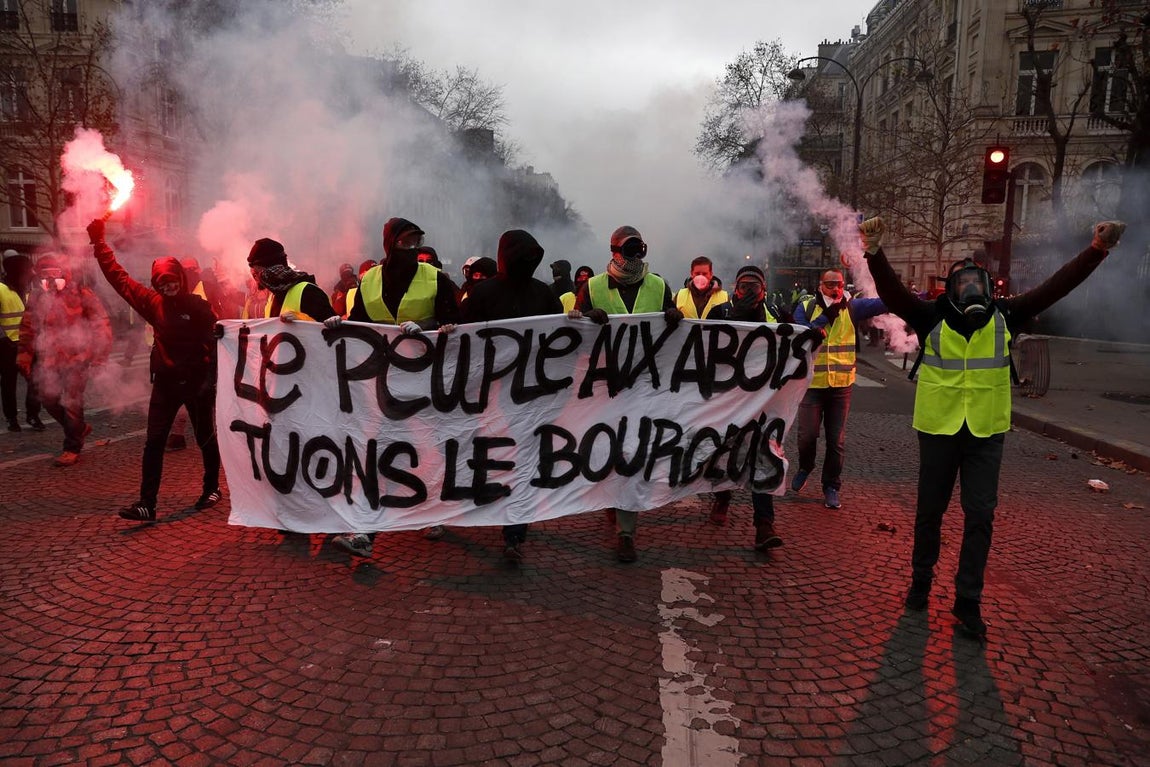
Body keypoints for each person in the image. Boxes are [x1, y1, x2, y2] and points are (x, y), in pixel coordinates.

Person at [863, 216, 1126, 638]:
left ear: (989, 286)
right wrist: (874, 251)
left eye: (977, 280)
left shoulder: (1007, 314)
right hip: (938, 429)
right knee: (930, 512)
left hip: (985, 431)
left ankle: (968, 601)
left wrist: (1096, 251)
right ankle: (921, 582)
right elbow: (893, 293)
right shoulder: (931, 315)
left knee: (980, 515)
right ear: (949, 287)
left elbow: (1055, 288)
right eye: (962, 280)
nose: (971, 287)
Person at [332, 217, 461, 556]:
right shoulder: (370, 280)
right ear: (390, 244)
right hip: (383, 383)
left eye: (417, 242)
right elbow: (359, 323)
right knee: (377, 452)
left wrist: (428, 327)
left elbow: (457, 325)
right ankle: (365, 532)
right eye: (405, 242)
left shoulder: (436, 278)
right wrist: (335, 327)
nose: (412, 249)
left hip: (426, 381)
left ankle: (434, 510)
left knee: (430, 450)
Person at [86, 219, 223, 521]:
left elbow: (217, 343)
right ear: (156, 284)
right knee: (154, 441)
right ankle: (147, 502)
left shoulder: (198, 306)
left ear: (181, 279)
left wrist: (211, 381)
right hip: (166, 384)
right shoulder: (152, 303)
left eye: (172, 280)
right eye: (162, 283)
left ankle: (212, 487)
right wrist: (99, 244)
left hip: (197, 383)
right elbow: (119, 279)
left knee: (205, 436)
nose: (168, 286)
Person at [569, 225, 682, 563]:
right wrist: (586, 318)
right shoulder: (592, 287)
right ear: (613, 250)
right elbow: (570, 332)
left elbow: (676, 329)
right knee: (607, 452)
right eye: (627, 250)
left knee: (631, 456)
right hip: (604, 388)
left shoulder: (659, 285)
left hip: (645, 386)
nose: (633, 258)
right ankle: (613, 503)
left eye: (638, 250)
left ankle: (626, 532)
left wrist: (676, 316)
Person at [461, 230, 564, 564]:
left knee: (520, 463)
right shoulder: (484, 293)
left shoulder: (542, 293)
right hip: (488, 394)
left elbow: (560, 336)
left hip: (528, 397)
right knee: (489, 457)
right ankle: (490, 511)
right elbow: (463, 341)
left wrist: (582, 323)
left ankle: (514, 532)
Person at [791, 268, 888, 509]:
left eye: (839, 284)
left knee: (837, 441)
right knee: (807, 436)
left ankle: (831, 486)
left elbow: (884, 303)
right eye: (830, 284)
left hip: (841, 385)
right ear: (821, 285)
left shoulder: (853, 306)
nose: (835, 288)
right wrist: (829, 314)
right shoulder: (805, 306)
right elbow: (803, 332)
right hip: (812, 384)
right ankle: (805, 466)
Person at [708, 265, 788, 549]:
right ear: (734, 288)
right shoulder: (720, 313)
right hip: (727, 398)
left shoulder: (775, 314)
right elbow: (706, 344)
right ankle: (722, 496)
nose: (750, 291)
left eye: (755, 286)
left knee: (762, 456)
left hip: (761, 400)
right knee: (723, 451)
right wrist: (738, 314)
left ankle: (764, 524)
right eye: (744, 286)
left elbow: (795, 340)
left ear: (764, 289)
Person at [16, 254, 111, 466]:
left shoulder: (82, 294)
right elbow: (28, 328)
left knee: (71, 402)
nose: (49, 278)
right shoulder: (37, 298)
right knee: (48, 400)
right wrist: (24, 356)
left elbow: (101, 325)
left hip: (77, 358)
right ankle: (78, 428)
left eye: (54, 273)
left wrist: (99, 356)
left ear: (64, 273)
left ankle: (72, 447)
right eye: (44, 273)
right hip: (48, 359)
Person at [247, 238, 337, 323]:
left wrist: (302, 320)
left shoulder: (308, 292)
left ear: (270, 271)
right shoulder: (272, 298)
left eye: (257, 273)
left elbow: (335, 333)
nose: (256, 279)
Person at [1, 253, 44, 431]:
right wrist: (4, 339)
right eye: (27, 269)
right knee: (8, 384)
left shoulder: (30, 289)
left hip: (29, 344)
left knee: (35, 381)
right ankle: (12, 419)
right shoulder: (1, 290)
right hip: (7, 345)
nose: (30, 272)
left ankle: (33, 415)